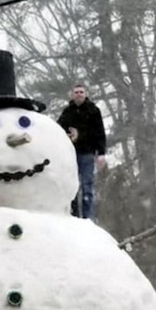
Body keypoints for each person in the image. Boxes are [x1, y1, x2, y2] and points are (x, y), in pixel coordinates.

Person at [56, 83, 106, 219]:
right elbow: (58, 129)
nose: (79, 94)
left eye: (81, 92)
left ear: (86, 94)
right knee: (71, 186)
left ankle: (87, 217)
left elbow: (100, 132)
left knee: (87, 186)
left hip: (87, 153)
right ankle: (73, 215)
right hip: (70, 153)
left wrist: (101, 153)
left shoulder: (93, 111)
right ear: (72, 94)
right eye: (76, 92)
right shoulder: (67, 112)